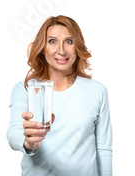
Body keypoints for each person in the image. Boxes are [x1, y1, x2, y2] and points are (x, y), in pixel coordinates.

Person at [6, 15, 111, 176]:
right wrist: (29, 142)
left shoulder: (97, 91)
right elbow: (14, 133)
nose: (61, 50)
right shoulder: (25, 89)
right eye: (52, 41)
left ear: (78, 46)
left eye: (69, 41)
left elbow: (103, 149)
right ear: (42, 47)